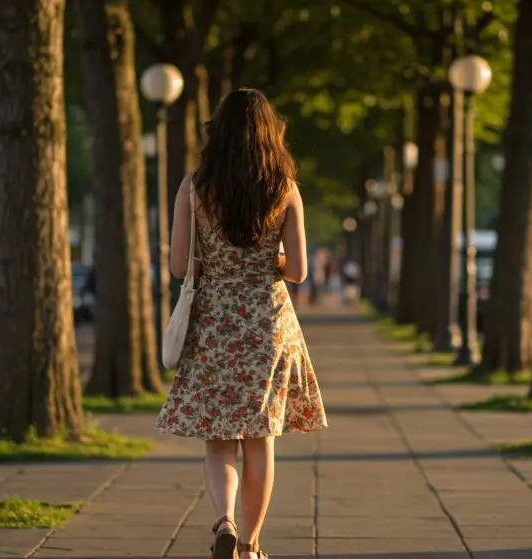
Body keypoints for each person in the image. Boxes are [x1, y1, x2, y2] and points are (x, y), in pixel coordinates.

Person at [155, 88, 328, 559]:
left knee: (219, 438)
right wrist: (264, 257)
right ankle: (250, 546)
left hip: (214, 321)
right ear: (270, 133)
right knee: (260, 441)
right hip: (266, 323)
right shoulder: (284, 188)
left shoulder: (195, 187)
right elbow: (298, 272)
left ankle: (224, 520)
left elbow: (176, 266)